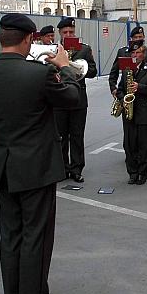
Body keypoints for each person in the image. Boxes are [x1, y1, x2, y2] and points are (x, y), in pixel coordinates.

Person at [0, 13, 80, 294]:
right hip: (36, 167)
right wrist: (65, 66)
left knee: (11, 238)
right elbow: (72, 98)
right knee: (36, 237)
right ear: (27, 39)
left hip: (5, 166)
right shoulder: (37, 73)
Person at [53, 17, 97, 183]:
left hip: (78, 98)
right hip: (59, 98)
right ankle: (62, 168)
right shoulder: (54, 50)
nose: (69, 34)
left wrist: (81, 69)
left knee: (77, 136)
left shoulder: (84, 49)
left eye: (71, 32)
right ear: (60, 33)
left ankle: (77, 169)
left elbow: (93, 71)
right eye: (65, 32)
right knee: (60, 136)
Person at [118, 41, 147, 184]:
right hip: (129, 111)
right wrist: (122, 98)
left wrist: (140, 87)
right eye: (133, 53)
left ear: (143, 55)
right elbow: (120, 89)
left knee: (145, 144)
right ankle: (132, 172)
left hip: (145, 111)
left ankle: (143, 173)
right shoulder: (126, 69)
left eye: (138, 53)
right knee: (130, 144)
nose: (135, 55)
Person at [109, 25, 147, 96]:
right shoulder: (122, 52)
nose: (138, 39)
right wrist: (113, 88)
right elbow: (114, 72)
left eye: (140, 37)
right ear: (131, 39)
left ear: (144, 37)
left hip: (143, 94)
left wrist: (142, 87)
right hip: (125, 92)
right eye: (135, 37)